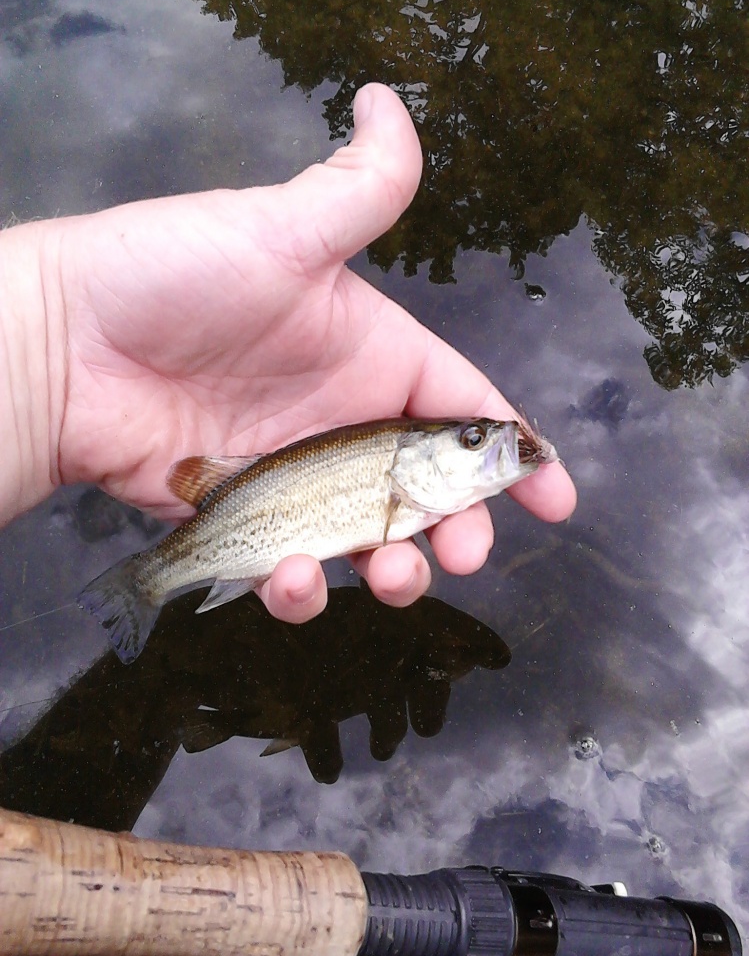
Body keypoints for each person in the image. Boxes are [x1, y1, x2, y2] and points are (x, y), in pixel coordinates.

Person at [0, 83, 576, 625]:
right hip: (233, 505)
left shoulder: (424, 487)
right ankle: (144, 582)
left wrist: (49, 338)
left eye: (473, 437)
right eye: (471, 438)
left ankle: (149, 580)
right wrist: (50, 327)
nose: (488, 437)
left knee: (323, 578)